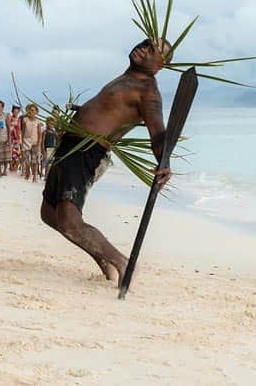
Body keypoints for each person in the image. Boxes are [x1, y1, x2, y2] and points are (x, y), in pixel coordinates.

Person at [40, 38, 170, 286]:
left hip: (88, 150)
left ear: (160, 65)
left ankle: (122, 263)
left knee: (69, 220)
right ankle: (104, 260)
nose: (144, 48)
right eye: (145, 43)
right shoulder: (125, 78)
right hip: (71, 145)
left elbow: (158, 133)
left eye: (152, 50)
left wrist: (164, 163)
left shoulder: (148, 91)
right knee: (48, 213)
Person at [20, 104, 44, 182]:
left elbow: (40, 134)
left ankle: (35, 177)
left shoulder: (38, 122)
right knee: (27, 159)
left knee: (35, 160)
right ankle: (27, 173)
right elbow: (23, 131)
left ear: (36, 112)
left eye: (33, 110)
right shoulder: (25, 120)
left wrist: (38, 144)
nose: (31, 111)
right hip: (26, 141)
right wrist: (22, 141)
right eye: (30, 110)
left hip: (35, 142)